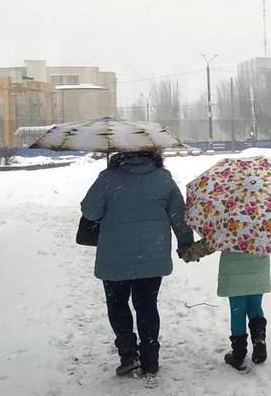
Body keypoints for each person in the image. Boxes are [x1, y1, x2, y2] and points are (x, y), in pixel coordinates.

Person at [81, 150, 194, 378]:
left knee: (117, 305)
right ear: (153, 152)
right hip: (151, 257)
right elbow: (179, 216)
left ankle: (128, 354)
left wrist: (107, 184)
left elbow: (90, 212)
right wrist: (186, 244)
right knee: (147, 306)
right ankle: (150, 359)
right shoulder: (163, 179)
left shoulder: (108, 178)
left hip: (115, 258)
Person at [181, 244, 270, 370]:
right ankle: (259, 340)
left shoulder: (226, 225)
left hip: (234, 272)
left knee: (238, 311)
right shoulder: (265, 225)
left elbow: (211, 243)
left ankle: (238, 355)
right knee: (255, 305)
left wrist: (190, 253)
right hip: (258, 269)